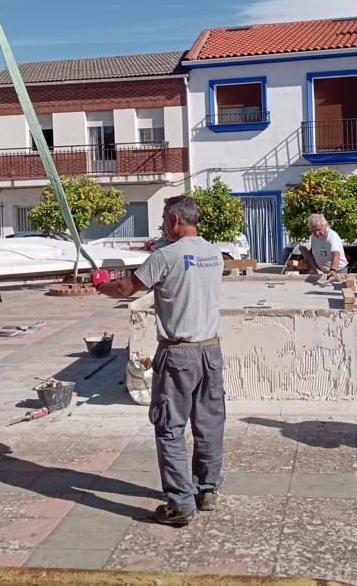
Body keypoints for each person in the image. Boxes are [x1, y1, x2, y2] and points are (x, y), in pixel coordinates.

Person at [96, 195, 225, 525]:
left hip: (178, 352)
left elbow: (127, 288)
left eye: (166, 219)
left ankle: (181, 503)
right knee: (209, 423)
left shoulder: (165, 256)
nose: (164, 225)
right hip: (211, 350)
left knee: (169, 427)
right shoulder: (214, 254)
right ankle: (206, 490)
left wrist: (102, 285)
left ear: (177, 221)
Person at [299, 213, 348, 280]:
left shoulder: (332, 236)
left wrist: (333, 269)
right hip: (321, 271)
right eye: (313, 231)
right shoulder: (313, 236)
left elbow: (336, 254)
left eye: (319, 230)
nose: (316, 233)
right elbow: (309, 251)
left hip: (338, 271)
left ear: (324, 225)